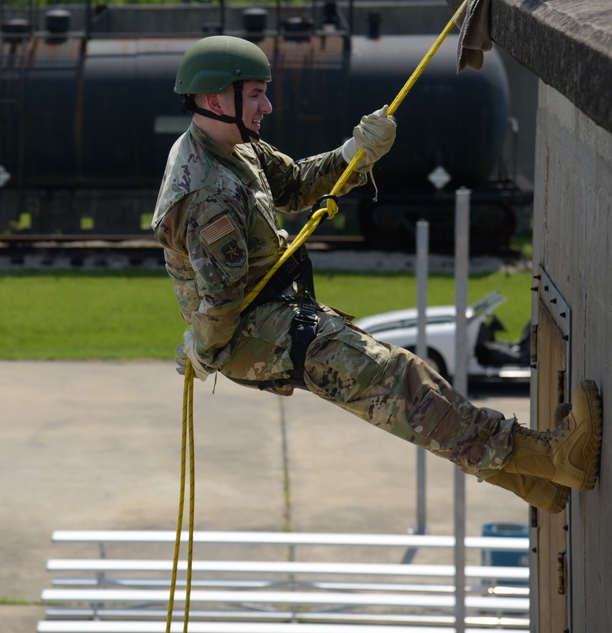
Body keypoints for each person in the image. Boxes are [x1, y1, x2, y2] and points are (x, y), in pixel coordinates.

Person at [151, 35, 602, 514]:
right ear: (216, 99)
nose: (268, 105)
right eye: (256, 94)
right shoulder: (205, 193)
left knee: (400, 387)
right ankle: (554, 457)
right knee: (400, 383)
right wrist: (205, 347)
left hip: (271, 318)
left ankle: (533, 482)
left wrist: (354, 153)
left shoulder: (234, 147)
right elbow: (220, 301)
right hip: (251, 334)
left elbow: (294, 185)